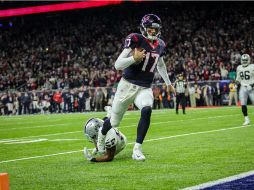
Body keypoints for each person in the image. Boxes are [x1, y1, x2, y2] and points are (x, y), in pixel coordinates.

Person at [96, 14, 175, 161]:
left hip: (144, 87)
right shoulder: (135, 39)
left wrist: (168, 83)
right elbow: (118, 65)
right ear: (144, 28)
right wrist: (134, 58)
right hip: (127, 86)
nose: (153, 32)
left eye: (155, 29)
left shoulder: (161, 44)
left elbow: (161, 64)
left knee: (147, 109)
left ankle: (137, 149)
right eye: (150, 29)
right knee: (113, 122)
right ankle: (101, 134)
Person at [236, 54, 254, 126]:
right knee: (243, 104)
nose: (244, 61)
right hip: (243, 87)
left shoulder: (252, 66)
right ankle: (246, 119)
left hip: (252, 87)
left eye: (246, 60)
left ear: (249, 60)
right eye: (243, 60)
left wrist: (252, 85)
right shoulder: (239, 67)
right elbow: (238, 79)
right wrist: (235, 84)